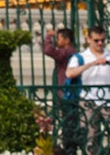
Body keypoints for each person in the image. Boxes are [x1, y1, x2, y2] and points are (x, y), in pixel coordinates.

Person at [66, 26, 110, 155]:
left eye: (102, 40)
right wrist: (93, 63)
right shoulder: (80, 57)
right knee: (90, 136)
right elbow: (69, 73)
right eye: (96, 40)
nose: (100, 43)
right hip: (88, 101)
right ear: (88, 39)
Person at [43, 27, 81, 155]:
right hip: (70, 92)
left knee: (68, 123)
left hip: (67, 92)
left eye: (59, 39)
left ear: (67, 40)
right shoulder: (71, 51)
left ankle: (70, 149)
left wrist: (48, 37)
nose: (57, 41)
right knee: (69, 121)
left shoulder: (66, 52)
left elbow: (48, 50)